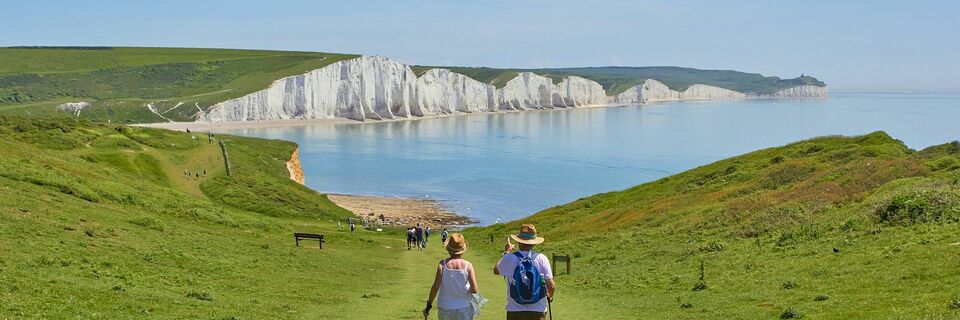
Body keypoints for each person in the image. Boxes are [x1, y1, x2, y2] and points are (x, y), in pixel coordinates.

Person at [493, 224, 556, 320]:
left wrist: (506, 253)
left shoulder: (510, 258)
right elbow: (551, 286)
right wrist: (549, 296)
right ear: (534, 243)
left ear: (519, 241)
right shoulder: (542, 258)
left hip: (514, 311)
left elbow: (496, 270)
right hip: (538, 311)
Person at [424, 233, 480, 320]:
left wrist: (429, 305)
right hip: (464, 307)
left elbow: (435, 287)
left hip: (445, 306)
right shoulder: (468, 265)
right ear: (462, 250)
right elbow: (475, 290)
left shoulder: (442, 264)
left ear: (449, 250)